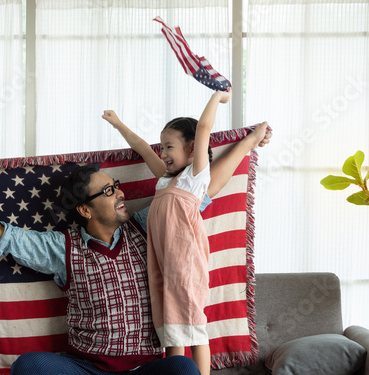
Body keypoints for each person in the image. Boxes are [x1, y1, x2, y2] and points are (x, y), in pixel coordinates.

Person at [0, 161, 200, 375]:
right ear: (85, 210)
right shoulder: (62, 247)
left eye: (115, 185)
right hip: (87, 368)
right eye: (109, 191)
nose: (120, 193)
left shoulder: (146, 225)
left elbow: (195, 191)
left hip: (145, 368)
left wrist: (245, 142)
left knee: (183, 368)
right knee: (29, 366)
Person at [102, 88, 270, 375]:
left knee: (193, 327)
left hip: (186, 262)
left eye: (169, 147)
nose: (163, 153)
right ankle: (175, 370)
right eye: (163, 147)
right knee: (172, 330)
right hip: (162, 262)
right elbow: (143, 147)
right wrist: (118, 124)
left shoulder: (194, 177)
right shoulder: (166, 180)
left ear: (192, 149)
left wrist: (218, 98)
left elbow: (204, 127)